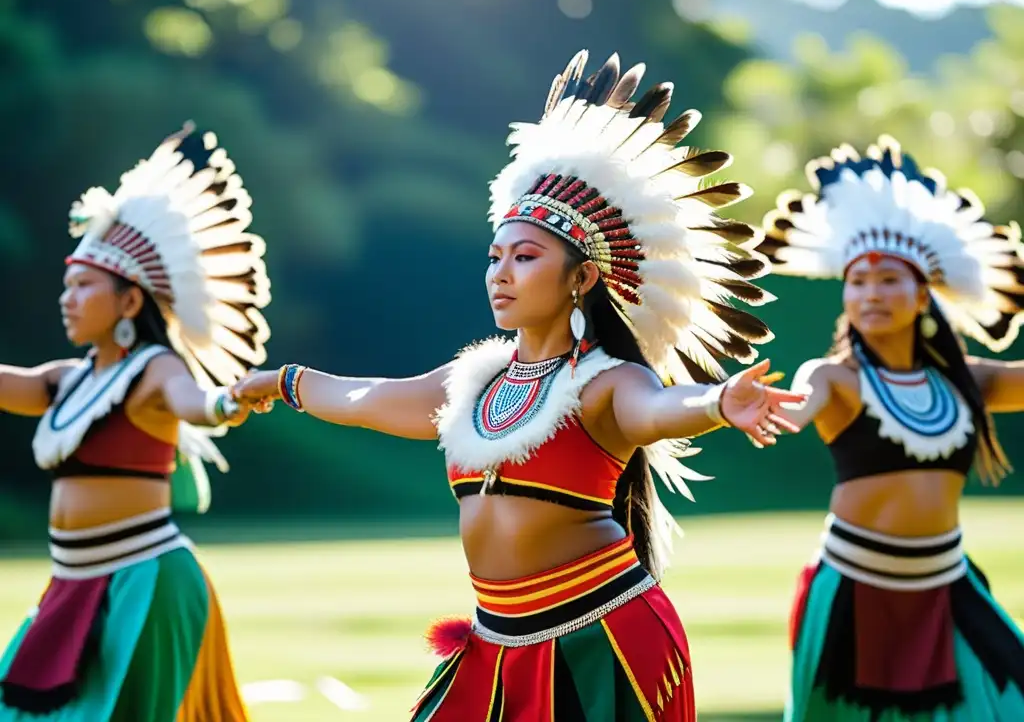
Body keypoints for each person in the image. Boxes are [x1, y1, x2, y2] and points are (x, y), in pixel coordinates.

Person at [232, 49, 805, 720]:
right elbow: (369, 399)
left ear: (582, 277)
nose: (501, 273)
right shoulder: (472, 381)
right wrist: (284, 381)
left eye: (526, 257)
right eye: (495, 257)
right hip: (495, 642)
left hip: (599, 637)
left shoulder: (606, 382)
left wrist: (715, 402)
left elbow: (657, 411)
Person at [0, 123, 272, 721]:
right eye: (65, 286)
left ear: (128, 301)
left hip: (143, 580)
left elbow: (194, 401)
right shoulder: (65, 380)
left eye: (83, 286)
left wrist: (228, 402)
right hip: (70, 582)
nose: (67, 299)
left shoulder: (154, 370)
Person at [756, 135, 1024, 721]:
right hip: (855, 592)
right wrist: (770, 409)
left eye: (889, 281)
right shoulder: (835, 378)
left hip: (949, 588)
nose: (871, 294)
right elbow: (800, 404)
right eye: (857, 282)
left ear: (924, 294)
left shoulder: (970, 382)